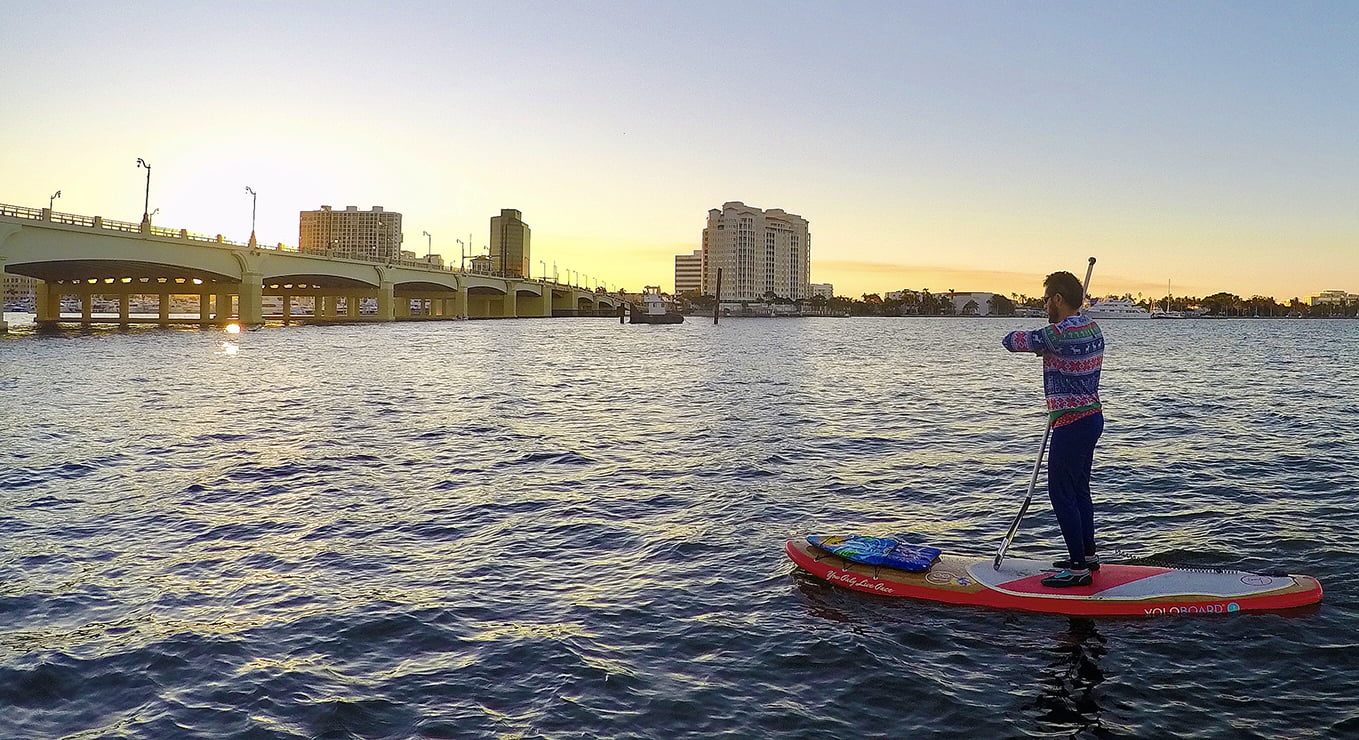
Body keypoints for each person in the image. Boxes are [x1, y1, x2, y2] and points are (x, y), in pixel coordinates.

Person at [1003, 271, 1104, 588]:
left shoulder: (1056, 335)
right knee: (1079, 489)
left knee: (1060, 492)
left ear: (1058, 299)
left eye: (1047, 299)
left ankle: (1078, 570)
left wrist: (1043, 344)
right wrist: (1048, 347)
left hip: (1070, 421)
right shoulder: (1092, 327)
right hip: (1092, 417)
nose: (1044, 304)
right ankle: (1087, 555)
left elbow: (1011, 341)